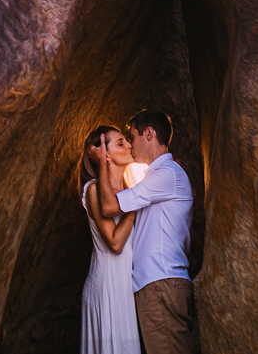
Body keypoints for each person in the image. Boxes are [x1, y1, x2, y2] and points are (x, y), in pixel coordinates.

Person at [98, 109, 198, 354]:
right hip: (157, 285)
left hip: (161, 283)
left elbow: (110, 206)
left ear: (149, 134)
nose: (130, 145)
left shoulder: (167, 174)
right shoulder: (156, 178)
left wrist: (102, 163)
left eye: (131, 137)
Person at [80, 125, 140, 354]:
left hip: (125, 286)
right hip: (106, 284)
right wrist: (135, 208)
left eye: (127, 141)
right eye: (121, 143)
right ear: (104, 154)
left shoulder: (129, 189)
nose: (129, 145)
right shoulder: (93, 190)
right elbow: (115, 243)